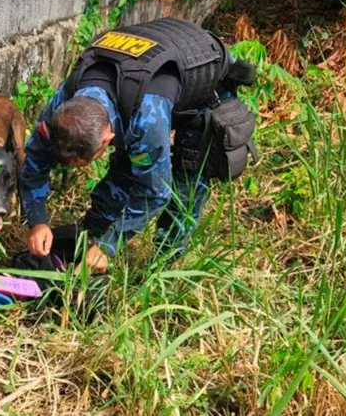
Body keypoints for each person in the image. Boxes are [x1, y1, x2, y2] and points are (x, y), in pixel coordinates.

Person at [18, 17, 257, 274]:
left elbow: (155, 191)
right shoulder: (65, 106)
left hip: (206, 83)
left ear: (107, 140)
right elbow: (33, 161)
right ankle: (92, 234)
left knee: (186, 183)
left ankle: (164, 268)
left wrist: (110, 246)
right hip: (150, 72)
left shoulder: (147, 118)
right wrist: (37, 220)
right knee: (129, 165)